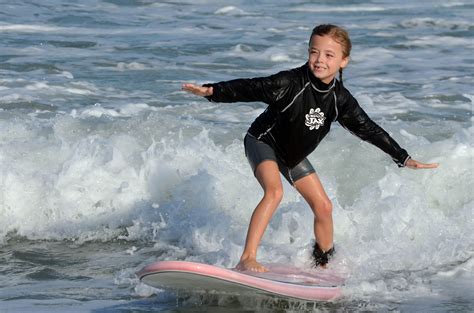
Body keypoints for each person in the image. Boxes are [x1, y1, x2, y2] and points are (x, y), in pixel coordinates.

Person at [182, 24, 438, 272]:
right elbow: (252, 87)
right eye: (314, 52)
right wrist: (212, 91)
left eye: (329, 55)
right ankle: (247, 259)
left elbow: (368, 129)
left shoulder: (340, 100)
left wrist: (403, 157)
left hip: (293, 155)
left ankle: (324, 263)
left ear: (343, 61)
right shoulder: (290, 83)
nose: (319, 60)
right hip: (263, 141)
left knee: (324, 207)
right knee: (274, 192)